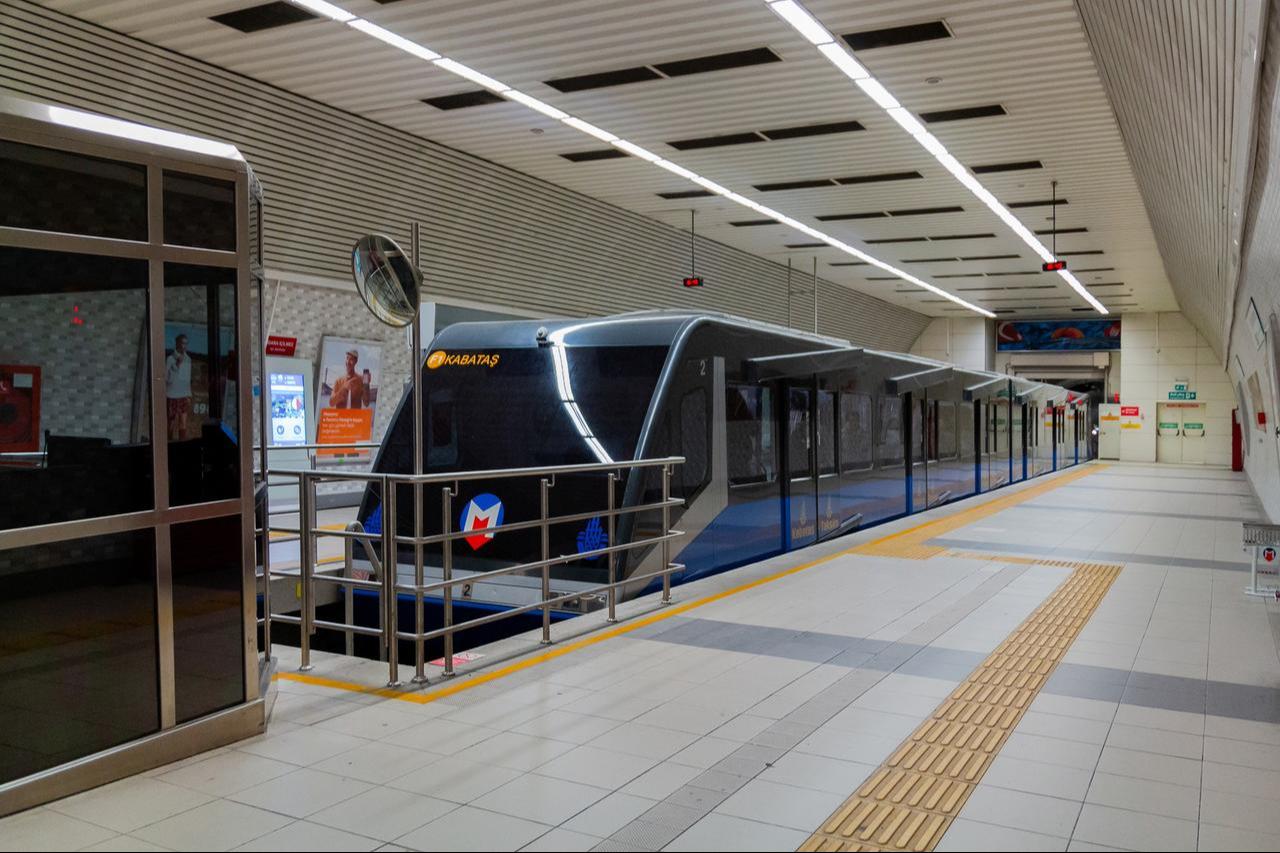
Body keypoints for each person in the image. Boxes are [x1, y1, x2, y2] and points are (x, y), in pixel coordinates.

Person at [166, 334, 193, 440]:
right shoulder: (170, 359)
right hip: (172, 395)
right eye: (182, 343)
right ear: (177, 343)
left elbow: (186, 379)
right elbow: (167, 379)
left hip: (183, 395)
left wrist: (188, 395)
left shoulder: (188, 359)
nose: (184, 346)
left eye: (186, 344)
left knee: (183, 422)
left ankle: (182, 445)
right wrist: (176, 365)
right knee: (171, 422)